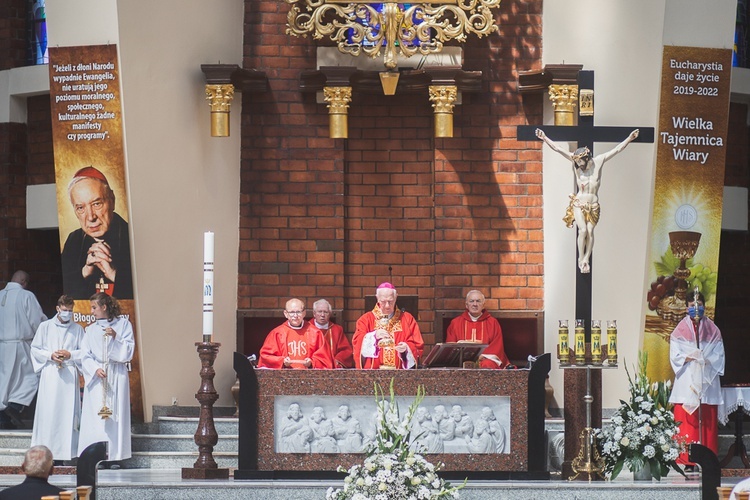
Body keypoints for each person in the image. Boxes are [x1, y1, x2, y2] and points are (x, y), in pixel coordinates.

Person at [535, 128, 640, 273]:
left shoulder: (599, 161)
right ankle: (580, 259)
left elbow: (616, 150)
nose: (578, 165)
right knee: (582, 230)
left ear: (586, 158)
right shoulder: (576, 162)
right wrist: (545, 138)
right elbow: (558, 149)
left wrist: (629, 138)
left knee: (590, 232)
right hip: (579, 203)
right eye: (576, 162)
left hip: (594, 205)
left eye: (580, 162)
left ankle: (586, 259)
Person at [668, 290, 725, 468]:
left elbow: (719, 355)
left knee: (706, 420)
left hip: (706, 379)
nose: (696, 308)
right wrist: (691, 356)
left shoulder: (713, 330)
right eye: (692, 306)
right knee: (687, 420)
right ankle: (687, 459)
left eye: (699, 305)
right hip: (687, 379)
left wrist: (705, 359)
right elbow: (675, 356)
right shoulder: (679, 330)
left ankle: (708, 457)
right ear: (687, 307)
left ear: (704, 307)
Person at [77, 293, 134, 462]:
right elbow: (84, 354)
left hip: (116, 373)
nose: (92, 311)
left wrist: (115, 338)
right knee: (97, 418)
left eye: (94, 307)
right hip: (98, 377)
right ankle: (97, 456)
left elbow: (128, 351)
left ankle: (115, 457)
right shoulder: (91, 329)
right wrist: (95, 369)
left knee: (116, 415)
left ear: (104, 307)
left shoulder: (124, 324)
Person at [61, 166, 133, 299]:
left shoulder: (132, 237)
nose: (90, 217)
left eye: (96, 204)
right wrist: (85, 271)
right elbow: (64, 297)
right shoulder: (74, 240)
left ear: (112, 200)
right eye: (81, 208)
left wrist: (113, 273)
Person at [30, 295, 85, 461]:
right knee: (49, 412)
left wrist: (70, 354)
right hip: (51, 373)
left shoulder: (77, 329)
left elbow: (84, 352)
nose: (67, 313)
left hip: (69, 373)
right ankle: (47, 452)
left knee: (68, 414)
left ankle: (67, 453)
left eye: (70, 310)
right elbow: (35, 348)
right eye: (65, 310)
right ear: (57, 309)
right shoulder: (45, 326)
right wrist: (50, 355)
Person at [0, 270, 47, 429]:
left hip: (2, 345)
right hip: (20, 345)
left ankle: (3, 417)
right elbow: (37, 320)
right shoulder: (26, 296)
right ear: (24, 282)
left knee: (4, 382)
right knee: (31, 377)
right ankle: (14, 407)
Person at [352, 282, 424, 369]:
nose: (387, 306)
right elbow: (357, 344)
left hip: (400, 374)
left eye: (390, 301)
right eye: (383, 301)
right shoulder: (365, 319)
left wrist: (406, 349)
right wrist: (373, 336)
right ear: (377, 298)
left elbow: (418, 345)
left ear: (396, 297)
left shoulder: (407, 319)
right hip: (373, 374)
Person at [257, 298, 334, 369]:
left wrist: (312, 363)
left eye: (298, 312)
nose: (295, 316)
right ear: (285, 314)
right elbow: (266, 357)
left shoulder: (315, 333)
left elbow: (325, 359)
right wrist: (282, 361)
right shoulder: (277, 333)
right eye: (292, 312)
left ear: (304, 313)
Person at [445, 290, 512, 369]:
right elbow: (450, 346)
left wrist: (481, 357)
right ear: (466, 305)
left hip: (485, 360)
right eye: (471, 301)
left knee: (488, 364)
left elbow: (497, 346)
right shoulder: (456, 323)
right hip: (460, 361)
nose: (475, 304)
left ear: (483, 305)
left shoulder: (492, 322)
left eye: (478, 301)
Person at [311, 299, 354, 368]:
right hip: (312, 366)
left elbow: (345, 350)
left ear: (330, 314)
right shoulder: (307, 329)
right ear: (314, 313)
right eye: (319, 311)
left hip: (331, 367)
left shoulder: (337, 330)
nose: (322, 315)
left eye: (325, 312)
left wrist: (337, 361)